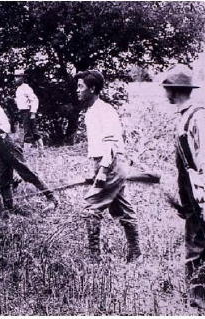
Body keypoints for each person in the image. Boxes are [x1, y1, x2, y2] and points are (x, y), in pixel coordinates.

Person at [161, 65, 205, 314]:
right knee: (196, 254)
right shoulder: (184, 117)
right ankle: (204, 309)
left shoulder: (197, 118)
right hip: (196, 201)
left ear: (171, 89)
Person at [75, 70, 141, 263]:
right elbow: (98, 147)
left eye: (80, 86)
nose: (77, 90)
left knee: (91, 207)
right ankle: (135, 253)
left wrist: (103, 171)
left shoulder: (105, 110)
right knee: (122, 207)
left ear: (92, 88)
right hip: (106, 164)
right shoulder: (92, 111)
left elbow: (111, 144)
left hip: (111, 164)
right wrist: (95, 170)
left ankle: (94, 259)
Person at [0, 79, 58, 216]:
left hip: (9, 147)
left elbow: (5, 128)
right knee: (3, 180)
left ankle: (52, 198)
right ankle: (9, 209)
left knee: (27, 174)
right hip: (1, 150)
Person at [14, 69, 43, 149]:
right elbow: (22, 101)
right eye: (15, 77)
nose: (16, 79)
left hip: (28, 112)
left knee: (30, 132)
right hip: (23, 112)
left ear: (22, 78)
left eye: (18, 77)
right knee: (30, 131)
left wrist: (33, 113)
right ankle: (38, 150)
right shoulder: (18, 89)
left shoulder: (26, 88)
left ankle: (32, 151)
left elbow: (34, 99)